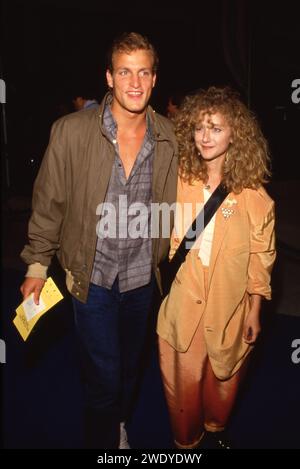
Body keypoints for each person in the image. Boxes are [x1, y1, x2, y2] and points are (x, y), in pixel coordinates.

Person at [20, 32, 178, 449]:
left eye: (144, 72)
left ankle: (119, 421)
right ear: (109, 77)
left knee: (128, 370)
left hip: (144, 279)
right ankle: (105, 441)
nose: (134, 82)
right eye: (125, 71)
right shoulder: (70, 132)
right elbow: (49, 202)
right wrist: (37, 266)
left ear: (155, 78)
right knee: (103, 377)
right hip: (91, 278)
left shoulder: (170, 138)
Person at [157, 86, 276, 449]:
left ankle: (216, 429)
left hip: (230, 306)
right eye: (199, 127)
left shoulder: (255, 196)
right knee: (181, 385)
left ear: (235, 134)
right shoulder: (177, 180)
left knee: (224, 380)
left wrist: (255, 308)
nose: (205, 137)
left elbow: (262, 255)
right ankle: (186, 441)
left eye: (216, 128)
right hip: (183, 302)